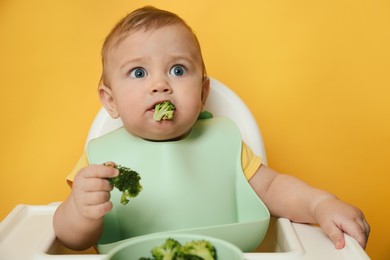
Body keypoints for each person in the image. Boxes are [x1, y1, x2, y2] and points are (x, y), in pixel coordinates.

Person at [53, 6, 370, 252]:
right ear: (111, 101)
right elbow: (70, 238)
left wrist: (320, 204)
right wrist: (80, 211)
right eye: (138, 72)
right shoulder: (100, 162)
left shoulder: (225, 143)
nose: (160, 84)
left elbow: (274, 189)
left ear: (203, 94)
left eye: (178, 70)